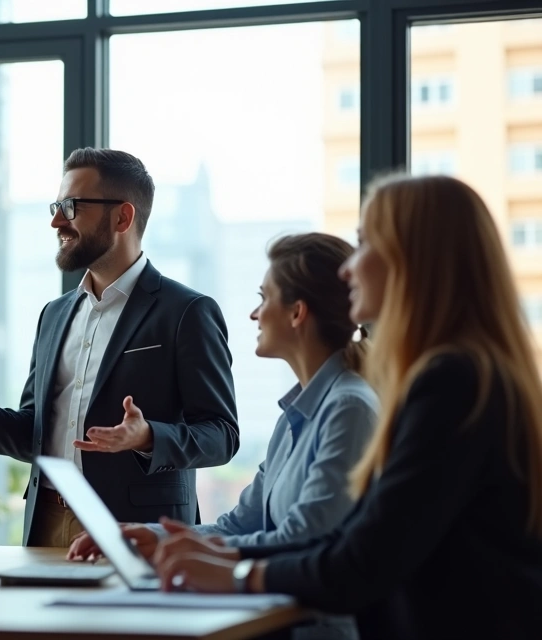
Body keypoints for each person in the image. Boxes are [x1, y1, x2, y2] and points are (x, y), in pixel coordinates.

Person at [151, 175, 542, 639]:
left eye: (363, 245)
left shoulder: (450, 382)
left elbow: (362, 559)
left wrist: (236, 573)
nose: (347, 269)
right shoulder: (470, 374)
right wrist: (194, 551)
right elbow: (351, 544)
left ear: (411, 259)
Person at [0, 148, 239, 547]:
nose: (56, 220)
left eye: (71, 206)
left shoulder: (185, 312)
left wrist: (148, 437)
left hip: (133, 529)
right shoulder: (54, 315)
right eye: (57, 205)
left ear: (122, 217)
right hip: (45, 522)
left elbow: (221, 435)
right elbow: (36, 432)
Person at [67, 232, 377, 640]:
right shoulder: (294, 417)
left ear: (297, 312)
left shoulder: (349, 408)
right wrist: (149, 535)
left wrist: (196, 555)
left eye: (264, 298)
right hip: (276, 620)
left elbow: (306, 538)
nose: (254, 313)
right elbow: (240, 523)